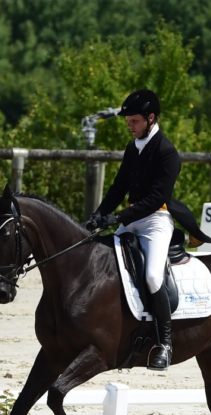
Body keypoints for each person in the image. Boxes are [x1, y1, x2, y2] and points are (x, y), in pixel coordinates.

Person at [86, 88, 181, 372]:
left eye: (135, 121)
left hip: (155, 221)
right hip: (130, 219)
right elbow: (118, 187)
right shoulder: (133, 148)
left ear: (151, 118)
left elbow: (155, 198)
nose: (130, 126)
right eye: (128, 121)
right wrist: (99, 214)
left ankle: (164, 343)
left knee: (152, 276)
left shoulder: (167, 153)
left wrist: (118, 217)